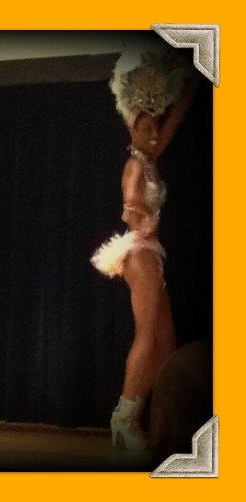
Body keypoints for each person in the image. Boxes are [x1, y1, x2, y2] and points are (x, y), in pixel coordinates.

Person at [91, 50, 199, 450]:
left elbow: (174, 119)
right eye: (148, 129)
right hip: (140, 253)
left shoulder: (149, 155)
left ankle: (157, 419)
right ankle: (123, 419)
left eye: (156, 128)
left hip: (153, 254)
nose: (155, 135)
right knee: (147, 336)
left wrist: (191, 80)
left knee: (167, 344)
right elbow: (131, 204)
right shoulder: (135, 166)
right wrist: (144, 216)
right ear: (133, 129)